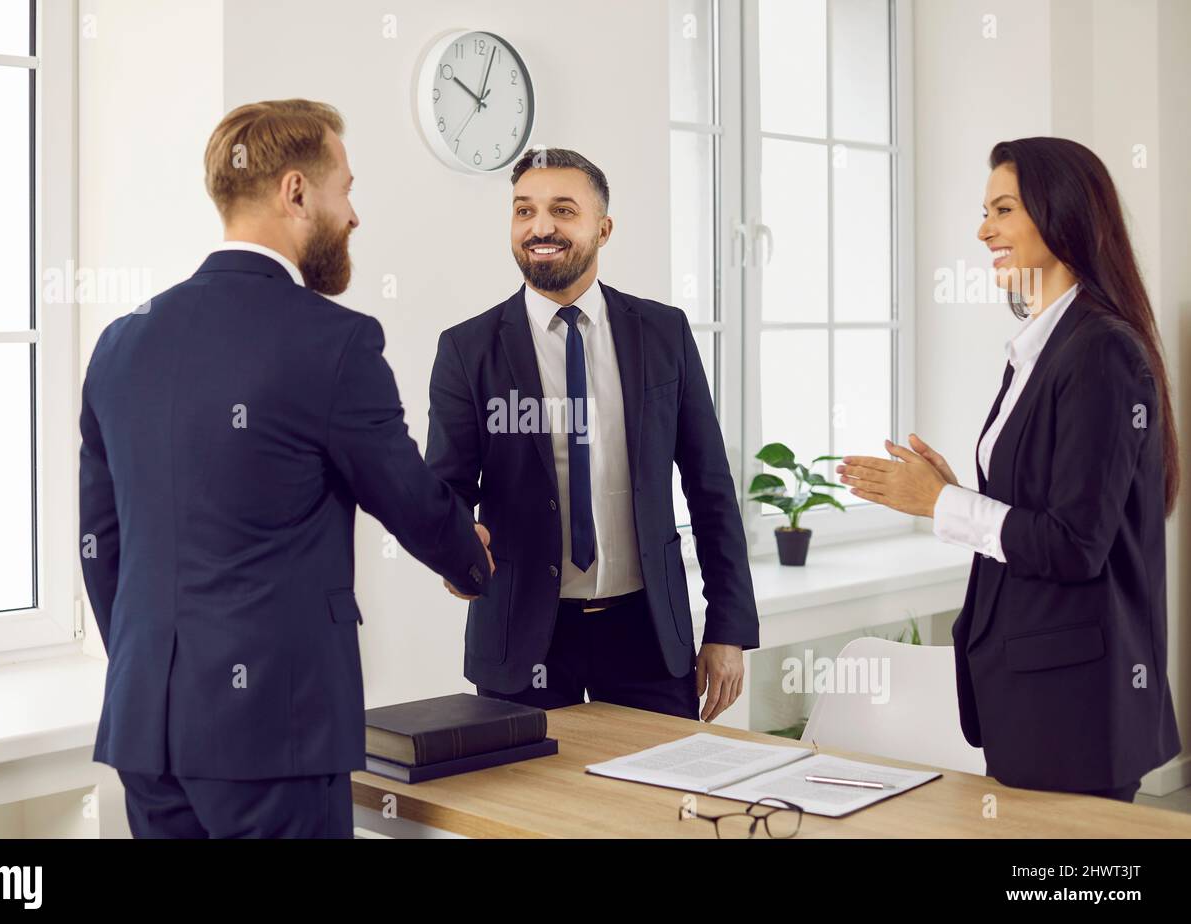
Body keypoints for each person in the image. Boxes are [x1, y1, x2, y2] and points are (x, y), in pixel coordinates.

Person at [79, 99, 492, 838]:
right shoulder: (333, 342)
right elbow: (406, 496)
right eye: (347, 188)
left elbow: (101, 545)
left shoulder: (122, 341)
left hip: (148, 725)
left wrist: (160, 672)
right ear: (296, 191)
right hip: (273, 731)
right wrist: (472, 559)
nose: (355, 215)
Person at [837, 137, 1181, 802]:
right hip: (1028, 694)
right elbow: (1042, 511)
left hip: (1077, 708)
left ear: (1060, 214)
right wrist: (954, 493)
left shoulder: (1101, 351)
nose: (982, 229)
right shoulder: (1044, 345)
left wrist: (941, 503)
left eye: (1002, 209)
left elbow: (1076, 545)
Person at [427, 148, 758, 723]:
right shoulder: (467, 349)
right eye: (524, 211)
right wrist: (455, 548)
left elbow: (710, 488)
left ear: (602, 228)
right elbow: (446, 488)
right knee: (527, 812)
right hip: (522, 638)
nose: (541, 227)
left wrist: (727, 628)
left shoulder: (664, 333)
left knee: (657, 808)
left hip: (648, 635)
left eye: (562, 210)